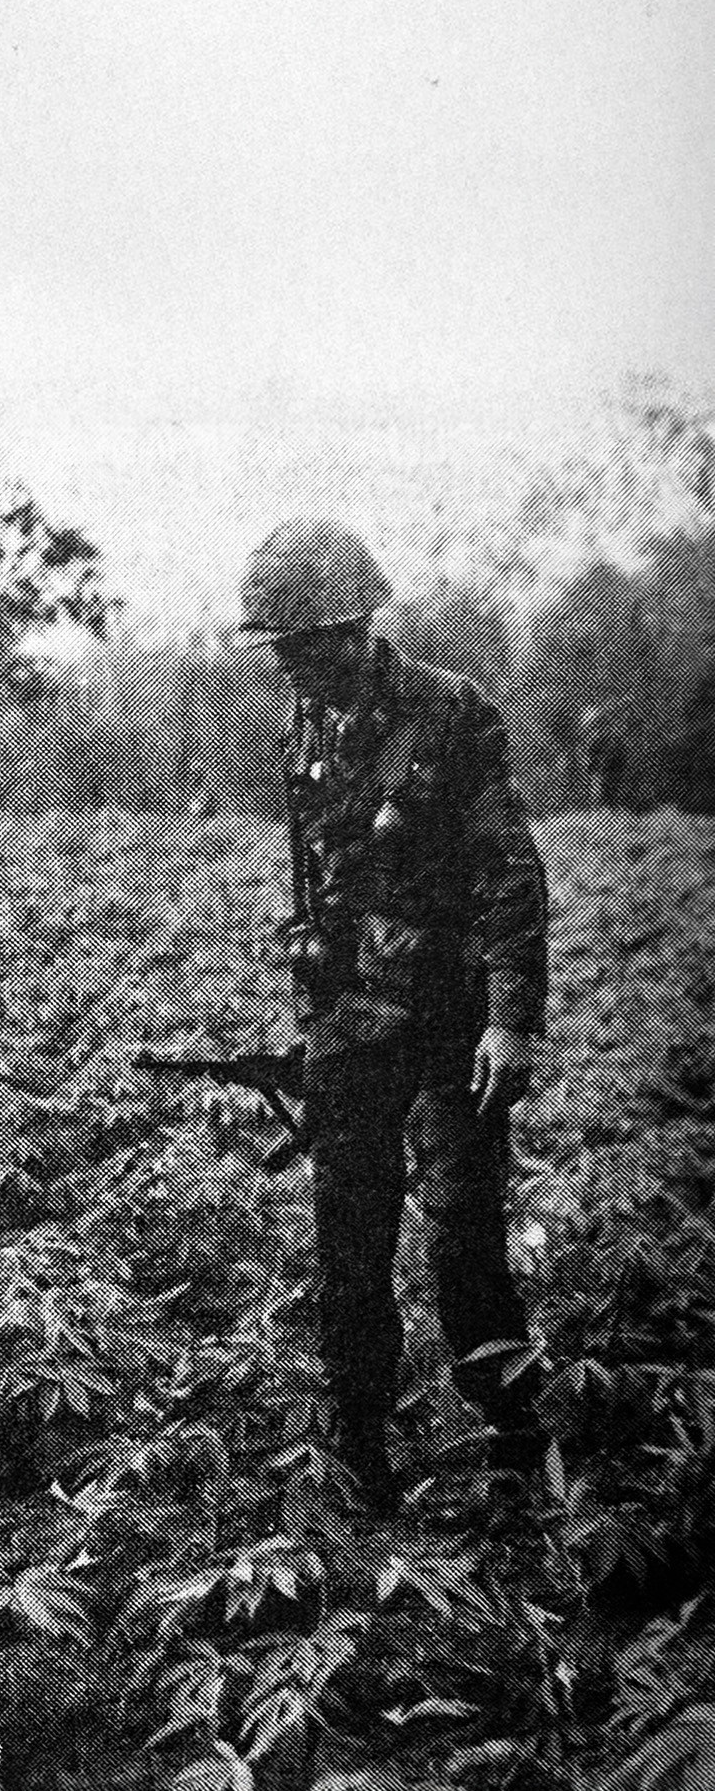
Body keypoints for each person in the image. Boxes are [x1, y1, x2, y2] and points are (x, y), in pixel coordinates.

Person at [238, 520, 550, 1511]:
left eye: (299, 647)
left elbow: (507, 870)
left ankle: (511, 1437)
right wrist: (312, 1001)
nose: (287, 667)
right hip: (350, 1022)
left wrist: (510, 1018)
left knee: (462, 1231)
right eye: (279, 650)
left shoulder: (449, 712)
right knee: (349, 1236)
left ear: (350, 630)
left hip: (450, 1016)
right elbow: (319, 877)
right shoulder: (304, 729)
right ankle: (361, 1438)